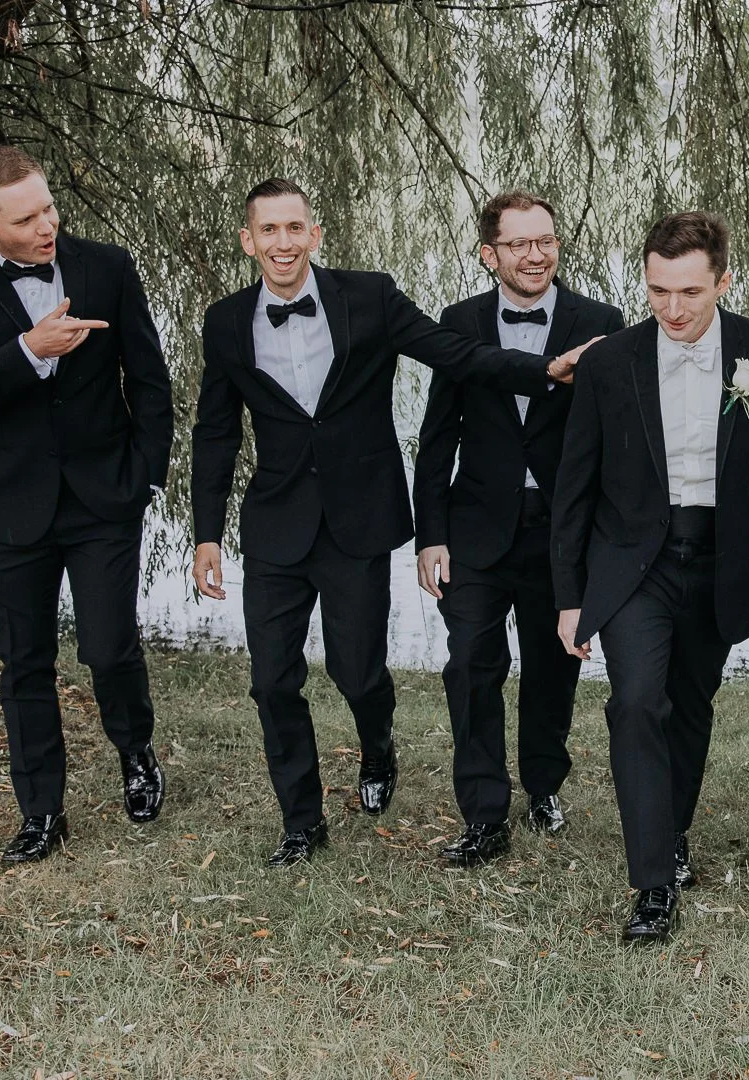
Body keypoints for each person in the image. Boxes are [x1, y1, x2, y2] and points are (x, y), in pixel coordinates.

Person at [191, 178, 590, 867]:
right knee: (271, 680)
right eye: (269, 230)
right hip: (276, 522)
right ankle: (301, 821)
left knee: (358, 673)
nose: (283, 242)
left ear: (315, 235)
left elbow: (455, 354)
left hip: (358, 520)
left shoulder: (370, 297)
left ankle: (378, 746)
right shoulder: (225, 321)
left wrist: (544, 370)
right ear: (249, 241)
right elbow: (216, 430)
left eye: (295, 228)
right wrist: (206, 533)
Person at [552, 212, 749, 942]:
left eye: (689, 292)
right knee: (636, 703)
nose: (671, 308)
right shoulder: (610, 362)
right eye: (657, 291)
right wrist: (570, 597)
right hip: (634, 564)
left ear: (723, 282)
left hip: (726, 561)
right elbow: (573, 489)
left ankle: (671, 835)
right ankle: (653, 886)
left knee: (690, 705)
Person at [0, 146, 173, 862]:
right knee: (24, 662)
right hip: (10, 505)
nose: (46, 227)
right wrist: (29, 350)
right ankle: (41, 812)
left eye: (50, 208)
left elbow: (149, 380)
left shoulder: (108, 268)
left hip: (104, 498)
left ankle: (136, 753)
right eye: (26, 218)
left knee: (109, 646)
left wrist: (146, 476)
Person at [412, 190, 623, 866]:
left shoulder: (601, 322)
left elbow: (614, 440)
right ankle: (483, 813)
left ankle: (543, 783)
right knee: (471, 664)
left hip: (563, 532)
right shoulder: (459, 322)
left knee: (554, 665)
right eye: (519, 244)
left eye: (546, 241)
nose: (536, 255)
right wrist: (429, 534)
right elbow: (437, 437)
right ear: (489, 253)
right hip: (475, 530)